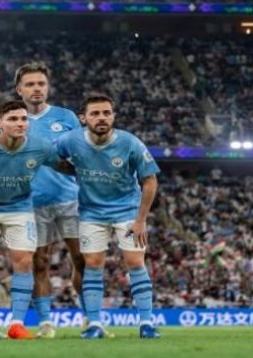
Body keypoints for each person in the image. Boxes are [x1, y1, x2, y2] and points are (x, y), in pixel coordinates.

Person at [0, 101, 73, 340]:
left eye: (23, 119)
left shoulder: (40, 146)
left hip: (20, 209)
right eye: (13, 119)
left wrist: (92, 170)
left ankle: (16, 324)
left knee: (24, 262)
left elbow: (63, 166)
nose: (20, 123)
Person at [55, 95, 160, 339]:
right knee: (92, 264)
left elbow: (150, 180)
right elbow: (50, 157)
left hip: (127, 210)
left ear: (113, 116)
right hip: (91, 212)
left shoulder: (130, 142)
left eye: (106, 113)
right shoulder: (70, 140)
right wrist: (72, 170)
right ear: (83, 118)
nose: (102, 118)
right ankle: (95, 324)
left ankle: (146, 324)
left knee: (135, 262)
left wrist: (140, 220)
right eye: (95, 113)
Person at [15, 62, 84, 338]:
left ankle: (90, 317)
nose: (36, 89)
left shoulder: (66, 117)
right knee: (39, 263)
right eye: (30, 84)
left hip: (70, 199)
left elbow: (82, 154)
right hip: (32, 203)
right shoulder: (12, 118)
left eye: (41, 84)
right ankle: (45, 322)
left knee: (82, 259)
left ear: (48, 87)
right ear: (19, 89)